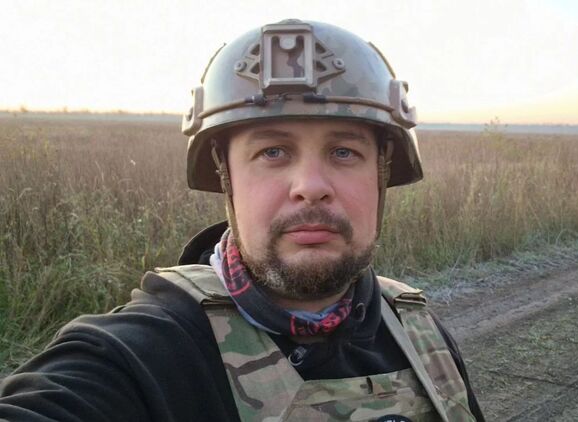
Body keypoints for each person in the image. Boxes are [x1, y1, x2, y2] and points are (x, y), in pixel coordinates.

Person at [0, 19, 485, 421]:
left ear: (382, 174)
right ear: (225, 176)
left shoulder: (419, 332)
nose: (310, 185)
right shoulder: (143, 354)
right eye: (273, 151)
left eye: (344, 151)